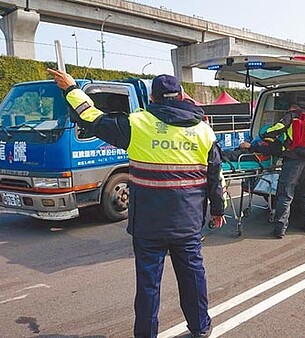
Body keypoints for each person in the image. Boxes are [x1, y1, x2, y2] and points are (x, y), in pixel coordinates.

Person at [47, 68, 225, 338]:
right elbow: (216, 177)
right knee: (193, 278)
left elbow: (91, 118)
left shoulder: (137, 124)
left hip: (148, 225)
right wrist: (218, 211)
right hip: (187, 224)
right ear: (181, 97)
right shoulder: (203, 131)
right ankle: (200, 328)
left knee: (148, 285)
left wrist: (71, 89)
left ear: (152, 98)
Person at [266, 104, 305, 238]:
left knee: (286, 194)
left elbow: (276, 129)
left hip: (294, 159)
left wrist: (265, 136)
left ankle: (280, 229)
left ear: (291, 109)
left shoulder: (291, 116)